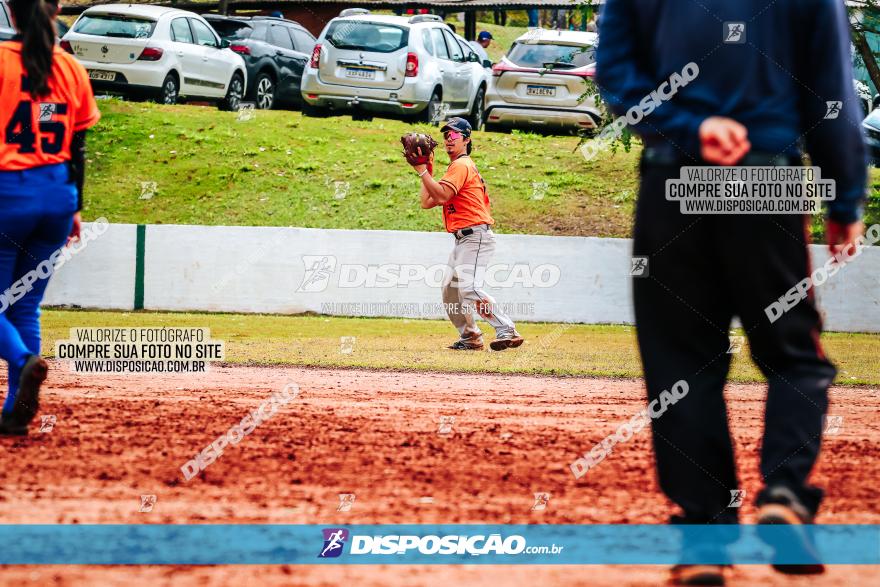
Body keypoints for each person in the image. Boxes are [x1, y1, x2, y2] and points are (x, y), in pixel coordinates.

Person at [596, 0, 866, 584]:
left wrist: (691, 127)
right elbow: (833, 98)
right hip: (764, 179)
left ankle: (703, 538)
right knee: (793, 355)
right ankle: (785, 497)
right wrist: (845, 199)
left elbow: (617, 78)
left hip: (672, 181)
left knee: (681, 366)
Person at [0, 0, 100, 435]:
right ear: (57, 8)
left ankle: (23, 362)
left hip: (8, 194)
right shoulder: (72, 69)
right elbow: (78, 149)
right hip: (57, 196)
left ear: (10, 10)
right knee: (25, 305)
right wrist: (75, 206)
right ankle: (14, 411)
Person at [407, 118, 524, 352]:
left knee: (469, 287)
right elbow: (426, 201)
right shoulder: (455, 167)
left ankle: (506, 329)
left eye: (454, 135)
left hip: (476, 236)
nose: (448, 139)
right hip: (462, 239)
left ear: (467, 139)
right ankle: (470, 337)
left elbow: (439, 197)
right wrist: (426, 170)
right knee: (451, 292)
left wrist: (422, 171)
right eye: (446, 135)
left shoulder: (462, 165)